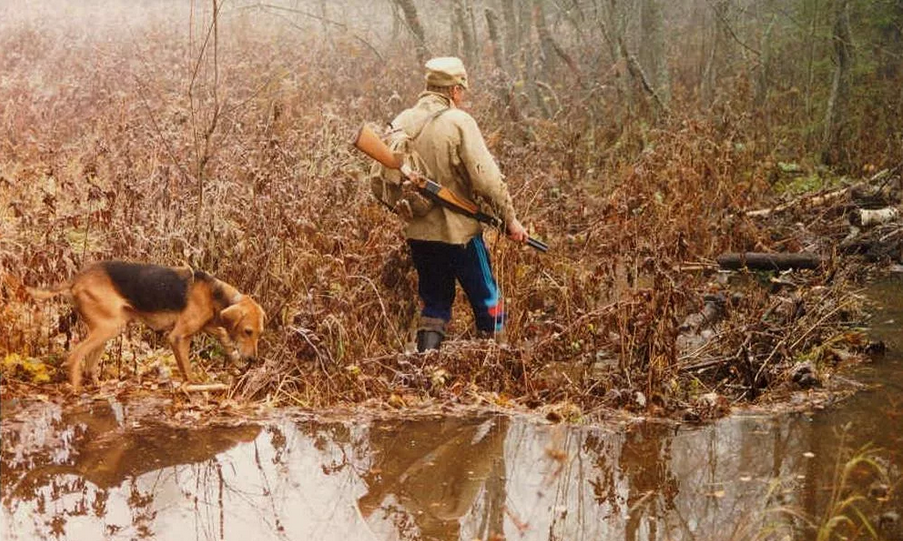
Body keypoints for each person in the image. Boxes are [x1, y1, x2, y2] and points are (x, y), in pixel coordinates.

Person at [389, 56, 528, 352]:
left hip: (420, 236)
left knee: (435, 303)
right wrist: (511, 219)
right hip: (460, 234)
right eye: (461, 90)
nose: (462, 97)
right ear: (453, 90)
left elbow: (385, 180)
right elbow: (487, 179)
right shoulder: (459, 122)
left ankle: (427, 371)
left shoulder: (401, 121)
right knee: (487, 299)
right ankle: (497, 366)